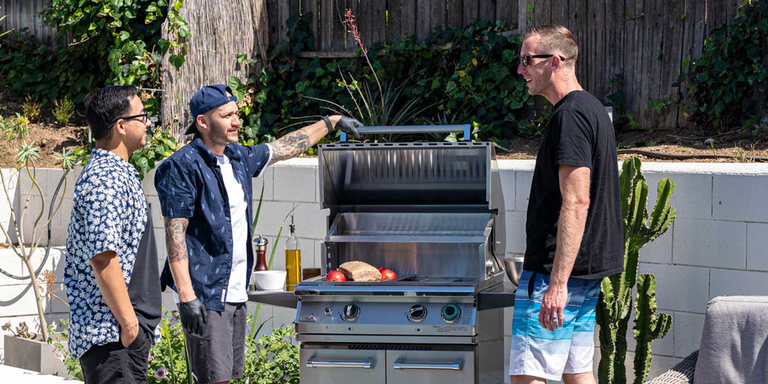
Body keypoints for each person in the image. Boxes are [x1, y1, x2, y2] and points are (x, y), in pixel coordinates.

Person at [154, 84, 362, 384]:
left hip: (235, 289)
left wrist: (329, 122)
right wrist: (187, 297)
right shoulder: (182, 166)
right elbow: (175, 235)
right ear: (202, 122)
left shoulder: (237, 157)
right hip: (206, 290)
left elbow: (285, 146)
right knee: (215, 380)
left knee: (230, 377)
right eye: (226, 116)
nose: (236, 121)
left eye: (236, 113)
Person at [509, 25, 623, 384]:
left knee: (529, 375)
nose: (520, 70)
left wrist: (556, 284)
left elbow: (576, 200)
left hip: (555, 274)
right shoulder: (590, 108)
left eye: (527, 60)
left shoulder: (570, 116)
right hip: (584, 271)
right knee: (578, 374)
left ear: (554, 62)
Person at [64, 86, 162, 384]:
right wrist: (129, 324)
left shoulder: (117, 173)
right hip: (111, 336)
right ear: (121, 126)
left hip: (119, 335)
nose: (148, 123)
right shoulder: (105, 179)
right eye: (142, 116)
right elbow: (102, 257)